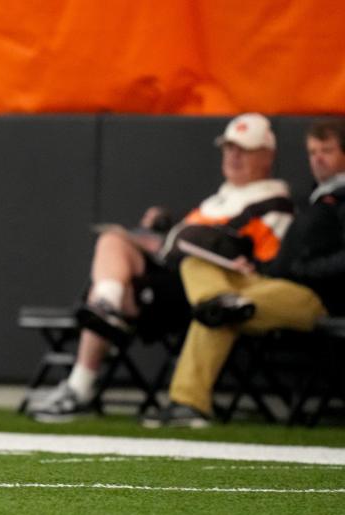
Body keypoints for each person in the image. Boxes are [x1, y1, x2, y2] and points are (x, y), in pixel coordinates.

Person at [28, 113, 294, 422]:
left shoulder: (275, 203)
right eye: (229, 148)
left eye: (244, 149)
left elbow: (266, 267)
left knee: (114, 279)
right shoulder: (219, 199)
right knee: (113, 241)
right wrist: (157, 232)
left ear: (267, 155)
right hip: (169, 279)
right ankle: (106, 307)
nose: (234, 156)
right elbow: (178, 245)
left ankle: (80, 384)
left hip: (201, 294)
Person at [145, 118, 345, 427]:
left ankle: (188, 402)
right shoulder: (314, 197)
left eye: (327, 150)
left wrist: (305, 269)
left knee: (221, 310)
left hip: (313, 297)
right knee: (204, 279)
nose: (317, 158)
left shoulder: (314, 202)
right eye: (312, 151)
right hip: (266, 284)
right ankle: (217, 304)